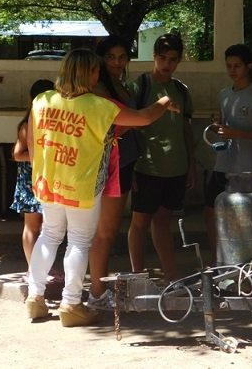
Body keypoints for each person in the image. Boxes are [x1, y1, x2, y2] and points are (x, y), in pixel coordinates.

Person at [24, 48, 179, 327]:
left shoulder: (42, 100)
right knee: (79, 241)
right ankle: (71, 303)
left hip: (47, 182)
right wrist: (166, 100)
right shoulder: (99, 105)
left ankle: (35, 298)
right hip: (81, 185)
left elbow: (34, 146)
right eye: (96, 70)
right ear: (90, 74)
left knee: (49, 235)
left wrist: (41, 175)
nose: (99, 74)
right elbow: (144, 117)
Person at [127, 34, 196, 282]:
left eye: (173, 60)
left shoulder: (181, 90)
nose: (167, 64)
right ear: (154, 56)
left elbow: (186, 130)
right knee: (139, 223)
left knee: (163, 223)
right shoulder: (139, 87)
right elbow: (127, 128)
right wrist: (130, 167)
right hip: (146, 167)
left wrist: (191, 165)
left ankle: (171, 277)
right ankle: (137, 278)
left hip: (176, 167)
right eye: (163, 58)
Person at [203, 44, 252, 261]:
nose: (232, 71)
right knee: (211, 210)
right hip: (223, 163)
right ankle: (217, 260)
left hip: (247, 168)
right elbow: (225, 125)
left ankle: (244, 262)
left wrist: (237, 133)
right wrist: (219, 127)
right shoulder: (224, 94)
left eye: (237, 66)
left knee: (245, 216)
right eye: (229, 66)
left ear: (249, 66)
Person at [87, 36, 139, 309]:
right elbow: (112, 124)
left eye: (122, 57)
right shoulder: (98, 88)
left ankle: (98, 289)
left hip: (125, 160)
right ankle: (96, 293)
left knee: (108, 229)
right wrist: (138, 120)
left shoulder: (120, 84)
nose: (117, 62)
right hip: (110, 163)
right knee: (104, 231)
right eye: (111, 57)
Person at [10, 79, 53, 272]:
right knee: (32, 226)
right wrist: (40, 157)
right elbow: (17, 154)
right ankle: (32, 269)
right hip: (31, 181)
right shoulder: (27, 125)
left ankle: (42, 268)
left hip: (47, 179)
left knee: (48, 229)